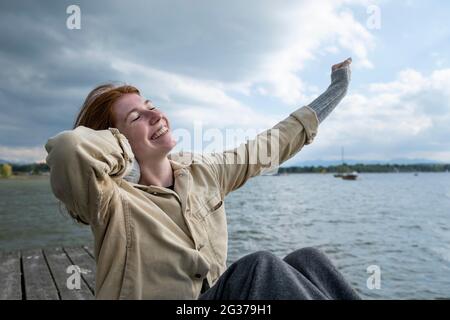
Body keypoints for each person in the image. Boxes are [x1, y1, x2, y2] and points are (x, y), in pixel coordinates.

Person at [45, 57, 359, 299]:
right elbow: (68, 150)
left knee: (309, 261)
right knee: (258, 269)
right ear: (114, 138)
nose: (156, 115)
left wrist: (335, 92)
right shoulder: (108, 198)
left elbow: (270, 145)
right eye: (136, 117)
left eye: (151, 106)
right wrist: (128, 158)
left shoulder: (203, 172)